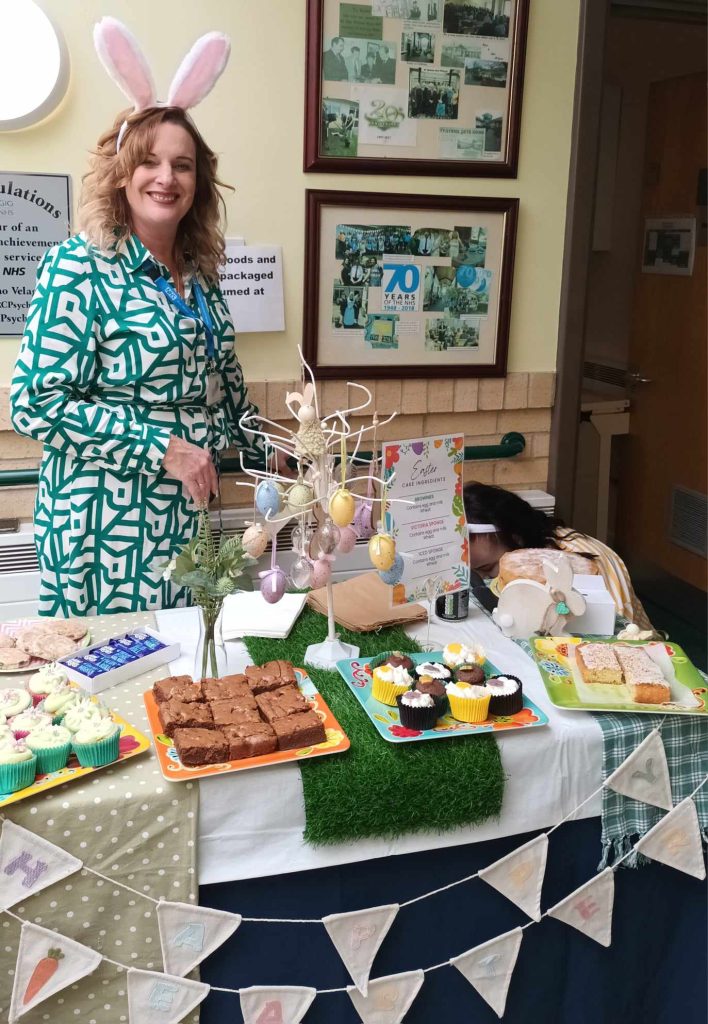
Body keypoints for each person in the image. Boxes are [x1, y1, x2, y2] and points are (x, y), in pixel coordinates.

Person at [10, 24, 280, 617]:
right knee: (111, 686)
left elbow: (226, 393)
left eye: (182, 165)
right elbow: (34, 402)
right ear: (122, 171)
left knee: (182, 679)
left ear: (198, 182)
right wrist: (165, 448)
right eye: (150, 161)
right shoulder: (79, 266)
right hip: (102, 525)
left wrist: (284, 446)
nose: (166, 177)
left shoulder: (201, 274)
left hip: (185, 521)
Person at [463, 483, 652, 629]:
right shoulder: (534, 548)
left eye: (489, 569)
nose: (490, 580)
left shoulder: (580, 561)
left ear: (515, 536)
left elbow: (618, 629)